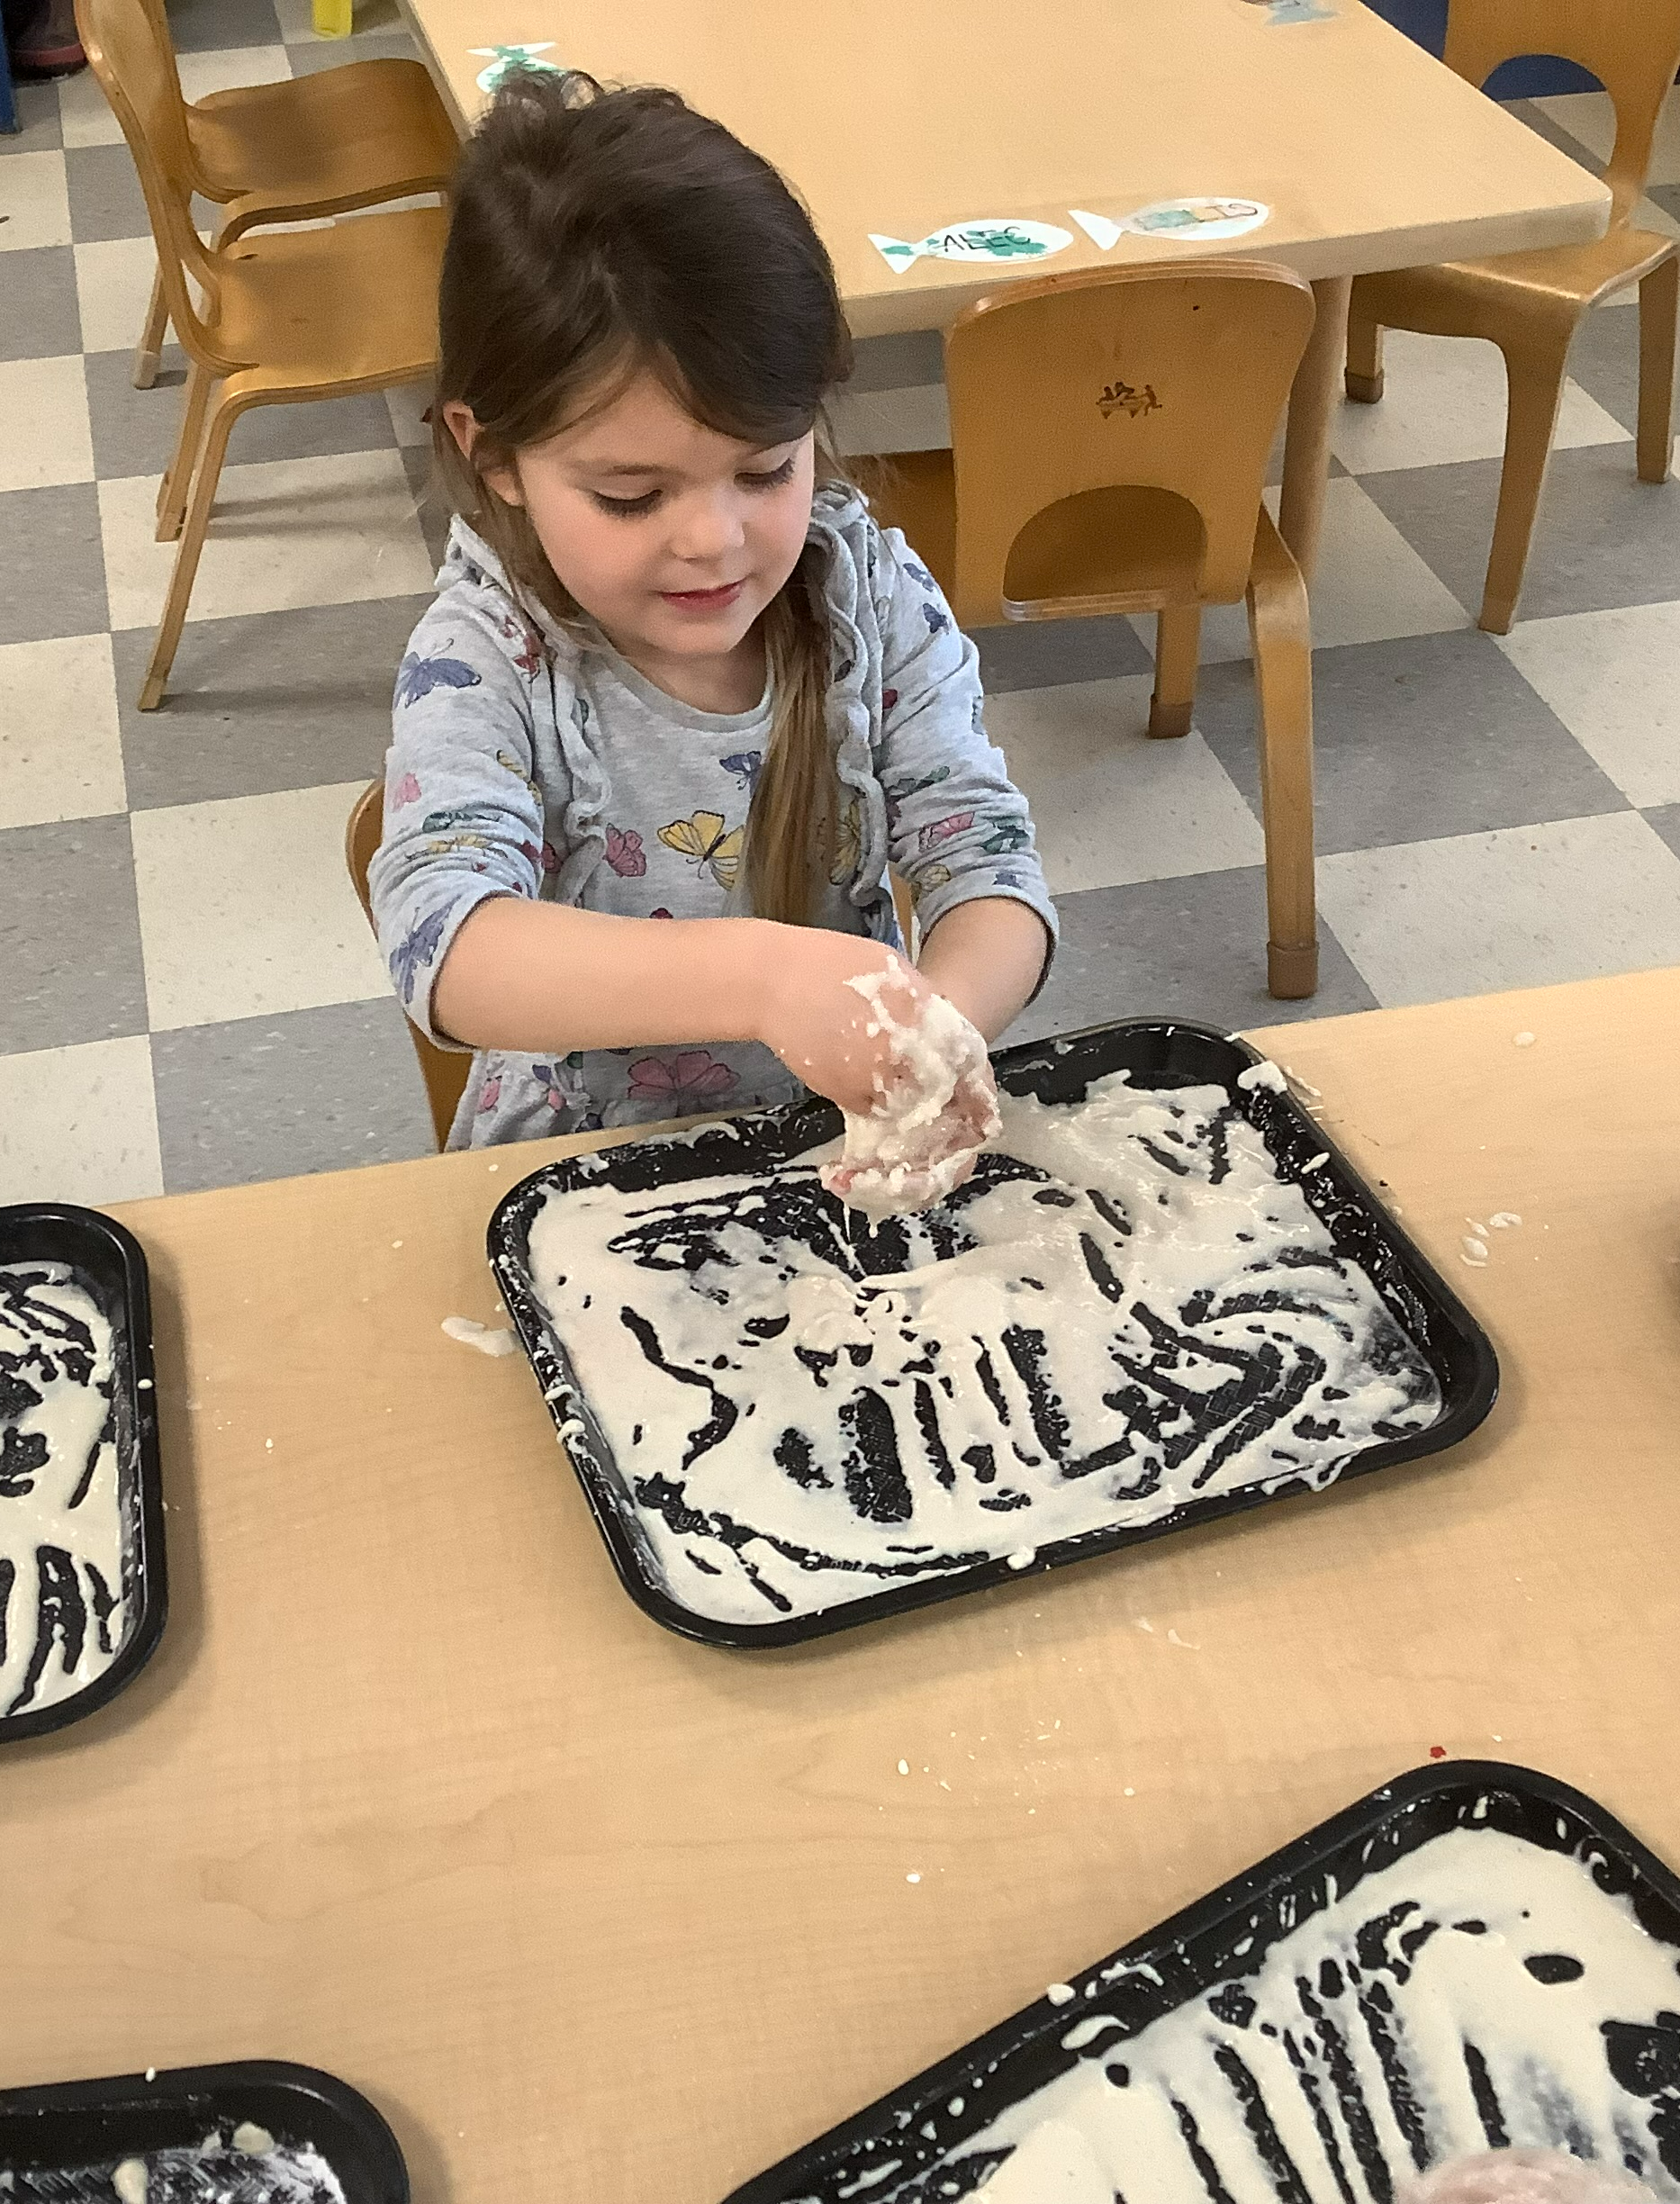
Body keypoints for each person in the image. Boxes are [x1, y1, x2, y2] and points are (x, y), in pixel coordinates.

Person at [370, 68, 1055, 1175]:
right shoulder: (491, 653)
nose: (715, 541)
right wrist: (762, 978)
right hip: (586, 1169)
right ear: (491, 455)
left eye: (766, 468)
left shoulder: (863, 591)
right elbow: (446, 943)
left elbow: (987, 858)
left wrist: (933, 1036)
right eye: (632, 495)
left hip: (827, 1143)